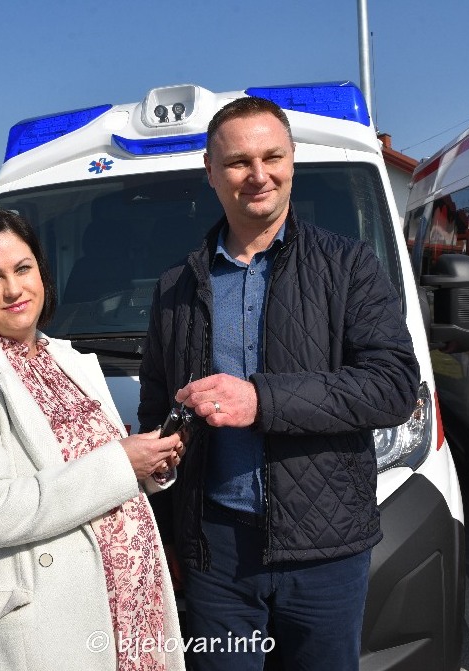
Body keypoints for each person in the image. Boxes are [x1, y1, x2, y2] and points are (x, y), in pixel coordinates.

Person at [138, 96, 420, 670]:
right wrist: (165, 529)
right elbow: (155, 414)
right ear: (211, 172)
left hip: (326, 547)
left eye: (271, 157)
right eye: (238, 162)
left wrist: (261, 400)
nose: (258, 175)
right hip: (216, 553)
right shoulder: (174, 288)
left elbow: (393, 386)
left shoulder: (349, 265)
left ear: (293, 159)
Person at [0, 210, 186, 671]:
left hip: (130, 595)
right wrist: (123, 463)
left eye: (23, 269)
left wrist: (151, 464)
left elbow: (100, 469)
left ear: (42, 273)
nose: (13, 289)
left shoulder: (68, 358)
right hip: (52, 611)